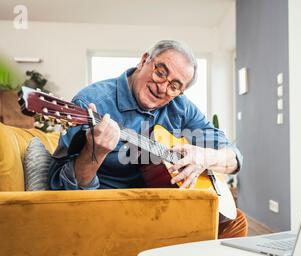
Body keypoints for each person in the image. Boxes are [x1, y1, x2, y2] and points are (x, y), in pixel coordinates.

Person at [48, 40, 248, 238]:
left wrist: (205, 158)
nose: (162, 88)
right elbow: (61, 188)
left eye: (175, 86)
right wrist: (94, 153)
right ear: (144, 60)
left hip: (165, 204)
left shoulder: (180, 105)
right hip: (115, 210)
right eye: (161, 72)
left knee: (235, 222)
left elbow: (233, 156)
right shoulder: (91, 103)